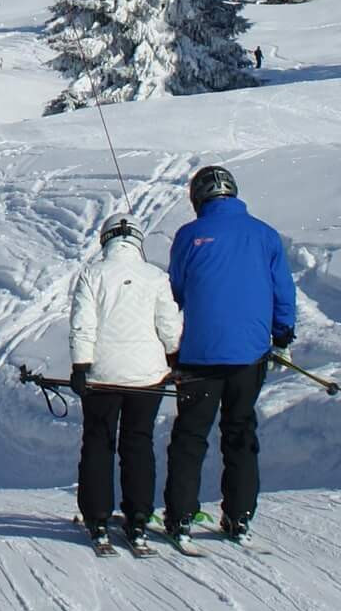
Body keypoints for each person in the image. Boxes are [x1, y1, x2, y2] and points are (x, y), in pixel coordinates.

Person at [163, 165, 297, 548]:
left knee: (191, 435)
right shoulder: (265, 235)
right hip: (249, 354)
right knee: (240, 432)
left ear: (198, 198)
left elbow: (177, 290)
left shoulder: (189, 235)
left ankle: (181, 515)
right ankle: (238, 516)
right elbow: (283, 293)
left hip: (201, 355)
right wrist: (282, 335)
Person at [68, 215, 182, 556]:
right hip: (147, 377)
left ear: (105, 240)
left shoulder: (93, 273)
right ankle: (137, 518)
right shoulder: (155, 276)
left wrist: (80, 365)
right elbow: (169, 325)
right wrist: (174, 358)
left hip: (102, 375)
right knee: (138, 443)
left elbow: (83, 322)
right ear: (137, 241)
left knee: (98, 442)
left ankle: (98, 517)